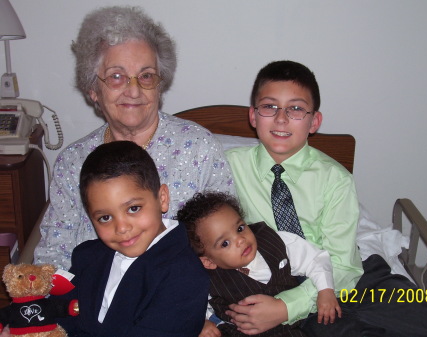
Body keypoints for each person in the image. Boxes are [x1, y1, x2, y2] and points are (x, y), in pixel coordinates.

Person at [225, 60, 427, 336]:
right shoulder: (227, 167)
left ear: (314, 121)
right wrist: (285, 304)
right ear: (253, 116)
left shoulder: (335, 178)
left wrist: (285, 307)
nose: (281, 118)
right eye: (270, 106)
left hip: (351, 277)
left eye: (296, 108)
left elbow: (344, 265)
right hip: (279, 281)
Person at [34, 6, 234, 271]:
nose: (134, 90)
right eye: (117, 77)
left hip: (183, 301)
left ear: (159, 85)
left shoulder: (198, 148)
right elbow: (53, 253)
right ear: (93, 89)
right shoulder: (73, 162)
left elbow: (229, 243)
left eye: (146, 76)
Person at [56, 140, 209, 336]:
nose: (121, 227)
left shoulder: (186, 276)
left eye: (133, 208)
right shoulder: (87, 257)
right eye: (105, 217)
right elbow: (58, 314)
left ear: (162, 199)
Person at [177, 191, 341, 337]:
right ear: (208, 261)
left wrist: (325, 290)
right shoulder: (206, 279)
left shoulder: (275, 242)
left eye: (240, 228)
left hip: (289, 329)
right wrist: (201, 324)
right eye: (225, 243)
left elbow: (315, 259)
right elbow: (189, 304)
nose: (240, 240)